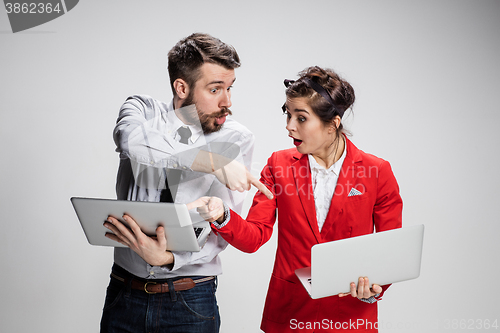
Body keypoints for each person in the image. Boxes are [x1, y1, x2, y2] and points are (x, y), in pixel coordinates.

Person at [194, 66, 403, 332]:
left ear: (333, 124)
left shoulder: (377, 172)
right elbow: (255, 236)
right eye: (288, 114)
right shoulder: (278, 165)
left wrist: (375, 287)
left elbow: (389, 251)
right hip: (290, 314)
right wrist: (221, 214)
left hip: (351, 317)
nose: (289, 126)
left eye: (301, 118)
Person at [100, 33, 272, 333]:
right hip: (123, 294)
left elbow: (216, 228)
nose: (227, 102)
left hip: (191, 299)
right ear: (182, 87)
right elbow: (133, 143)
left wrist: (167, 259)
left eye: (229, 88)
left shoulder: (235, 137)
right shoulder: (142, 111)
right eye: (215, 89)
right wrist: (213, 161)